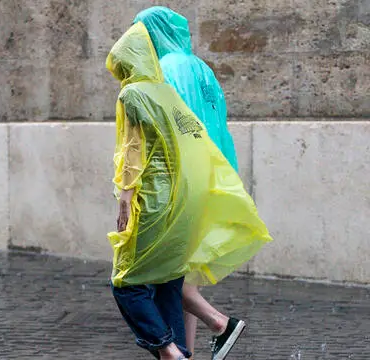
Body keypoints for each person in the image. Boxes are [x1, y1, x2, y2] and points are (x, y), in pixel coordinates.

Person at [106, 19, 272, 360]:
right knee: (172, 277)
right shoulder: (195, 71)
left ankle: (180, 346)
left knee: (127, 282)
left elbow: (132, 148)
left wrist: (125, 195)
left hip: (157, 193)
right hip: (194, 184)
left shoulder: (144, 86)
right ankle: (186, 349)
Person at [134, 7, 246, 359]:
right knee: (184, 273)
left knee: (151, 270)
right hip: (212, 173)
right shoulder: (201, 67)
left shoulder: (166, 69)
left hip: (181, 179)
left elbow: (171, 127)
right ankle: (186, 353)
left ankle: (219, 323)